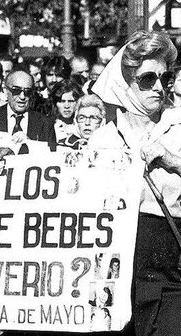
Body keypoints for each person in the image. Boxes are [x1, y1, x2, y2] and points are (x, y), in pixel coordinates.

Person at [90, 30, 181, 336]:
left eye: (165, 78)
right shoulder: (103, 139)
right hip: (117, 265)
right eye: (147, 79)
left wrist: (172, 160)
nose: (158, 87)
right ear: (125, 83)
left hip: (170, 259)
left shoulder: (179, 127)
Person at [0, 70, 56, 152]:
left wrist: (31, 144)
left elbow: (52, 155)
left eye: (28, 92)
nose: (22, 96)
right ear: (5, 90)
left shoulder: (45, 123)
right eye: (16, 91)